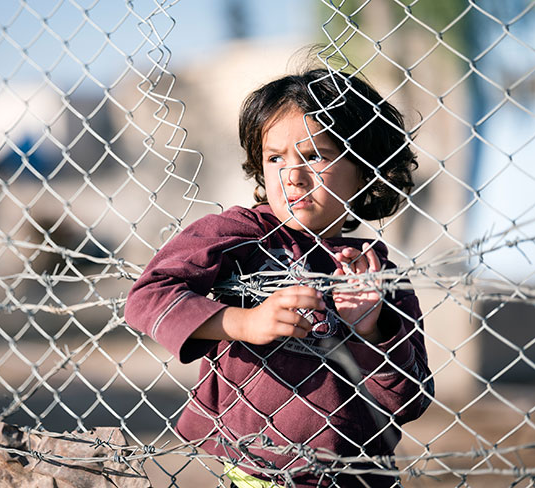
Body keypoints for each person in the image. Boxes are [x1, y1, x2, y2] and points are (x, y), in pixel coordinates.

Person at [125, 62, 433, 488]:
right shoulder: (238, 235)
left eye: (315, 156)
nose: (293, 176)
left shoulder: (375, 273)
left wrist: (370, 329)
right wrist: (242, 322)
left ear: (365, 168)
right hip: (260, 476)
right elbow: (147, 297)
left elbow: (409, 399)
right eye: (275, 158)